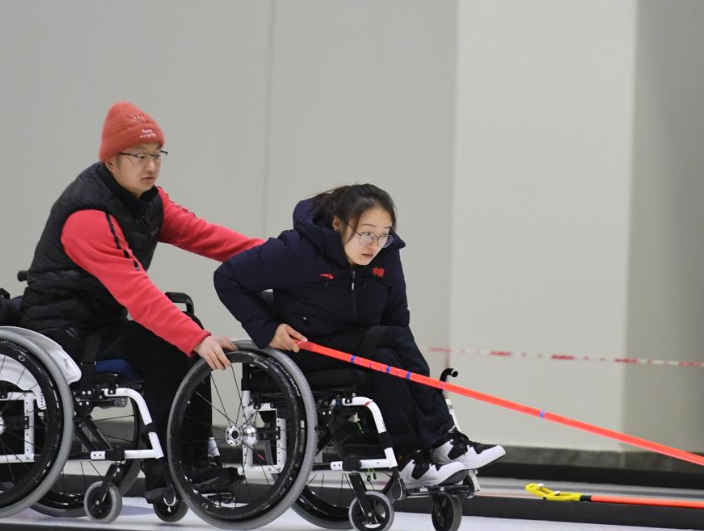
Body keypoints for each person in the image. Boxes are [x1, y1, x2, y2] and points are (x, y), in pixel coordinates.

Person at [19, 101, 263, 502]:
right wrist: (196, 338)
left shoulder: (148, 201)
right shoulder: (87, 217)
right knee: (175, 345)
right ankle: (177, 467)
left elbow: (210, 237)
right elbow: (136, 292)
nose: (151, 166)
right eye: (138, 156)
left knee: (182, 339)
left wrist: (280, 258)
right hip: (62, 332)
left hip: (101, 323)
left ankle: (186, 463)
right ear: (111, 161)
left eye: (156, 155)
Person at [213, 183, 504, 487]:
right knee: (390, 345)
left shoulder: (386, 256)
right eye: (366, 233)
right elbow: (227, 278)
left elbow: (396, 320)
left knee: (389, 355)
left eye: (383, 234)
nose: (374, 245)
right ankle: (443, 441)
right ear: (337, 224)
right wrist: (268, 329)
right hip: (309, 351)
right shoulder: (296, 250)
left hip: (364, 348)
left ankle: (409, 457)